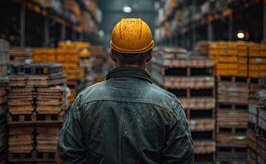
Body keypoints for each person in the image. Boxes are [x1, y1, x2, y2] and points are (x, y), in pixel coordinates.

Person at [57, 18, 194, 163]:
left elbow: (67, 155)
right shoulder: (169, 106)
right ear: (150, 55)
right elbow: (182, 159)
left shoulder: (84, 101)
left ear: (111, 54)